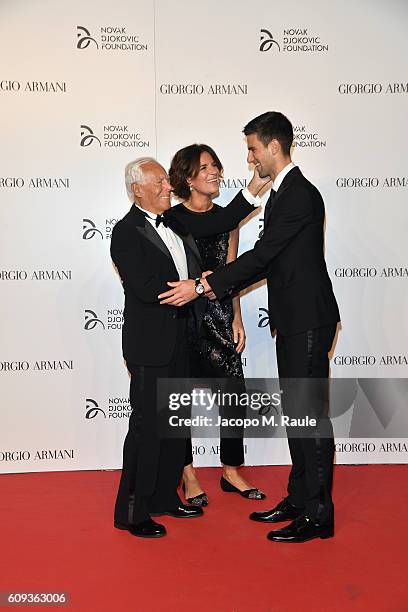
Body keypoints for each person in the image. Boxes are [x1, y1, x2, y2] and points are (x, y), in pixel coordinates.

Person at [159, 112, 341, 543]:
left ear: (273, 147)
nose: (249, 158)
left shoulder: (298, 194)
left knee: (309, 416)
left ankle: (318, 514)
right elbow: (246, 244)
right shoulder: (281, 194)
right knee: (300, 414)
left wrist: (206, 284)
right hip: (295, 320)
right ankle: (300, 499)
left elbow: (262, 257)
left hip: (308, 319)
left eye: (253, 149)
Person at [112, 157, 267, 538]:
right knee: (148, 428)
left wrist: (251, 189)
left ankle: (165, 497)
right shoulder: (126, 231)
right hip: (151, 346)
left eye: (167, 181)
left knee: (175, 427)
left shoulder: (176, 223)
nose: (169, 187)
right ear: (138, 189)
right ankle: (132, 511)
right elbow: (144, 288)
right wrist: (195, 286)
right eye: (161, 183)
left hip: (184, 340)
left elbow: (218, 222)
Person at [168, 144, 266, 505]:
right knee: (178, 399)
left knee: (233, 394)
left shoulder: (227, 218)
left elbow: (233, 271)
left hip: (218, 317)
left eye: (215, 165)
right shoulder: (172, 219)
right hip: (182, 318)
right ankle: (188, 473)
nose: (214, 172)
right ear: (188, 178)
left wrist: (237, 316)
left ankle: (231, 469)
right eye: (204, 167)